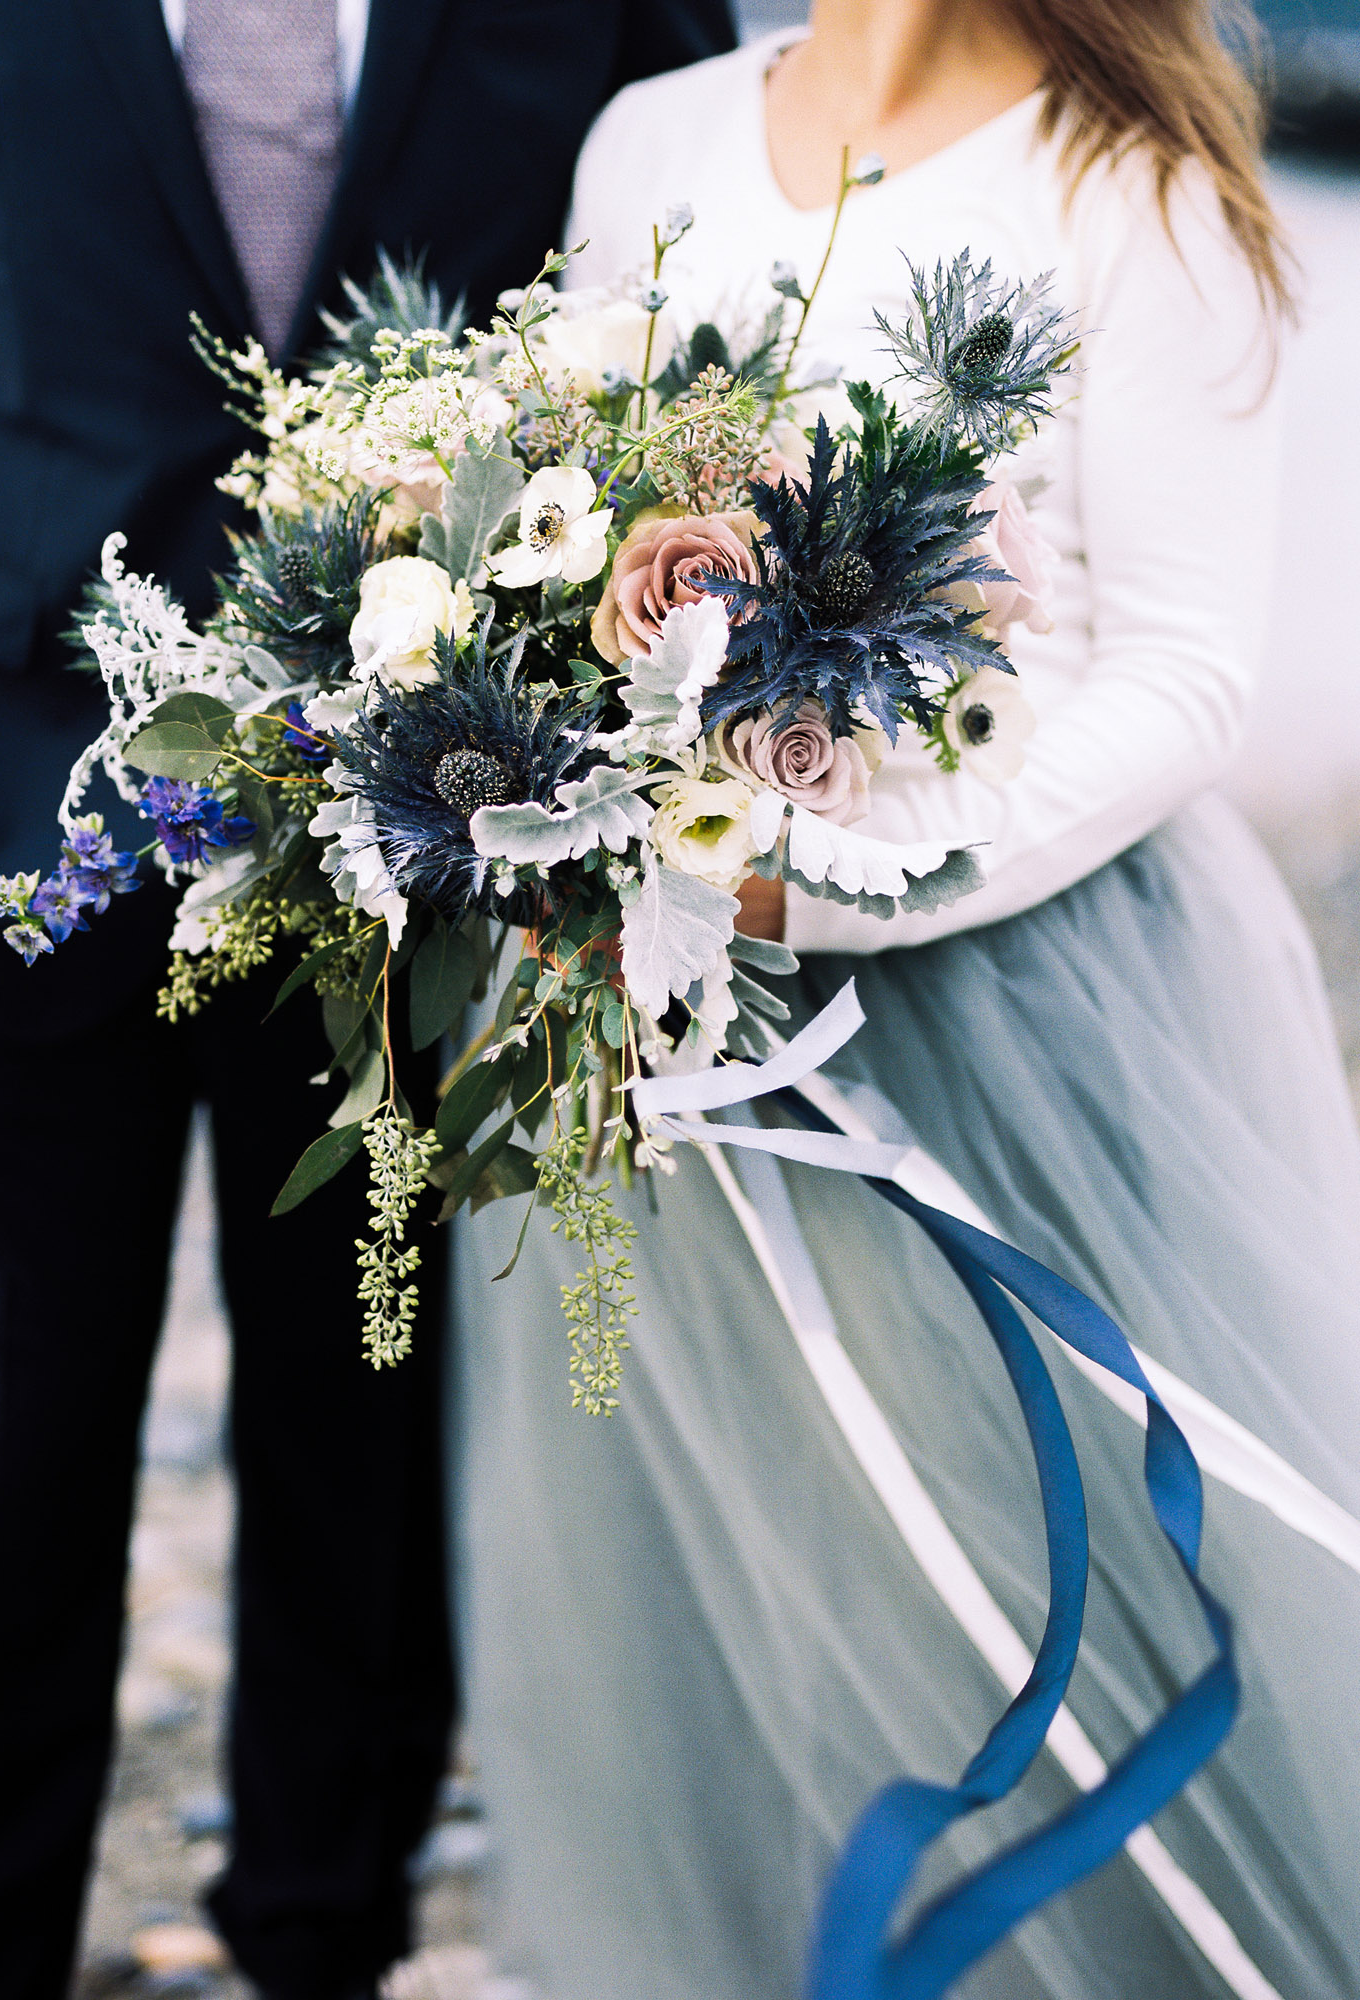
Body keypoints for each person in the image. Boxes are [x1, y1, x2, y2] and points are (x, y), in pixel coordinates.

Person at [451, 2, 1360, 1995]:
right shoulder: (652, 143)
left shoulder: (1135, 179)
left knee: (1018, 1564)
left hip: (1028, 1018)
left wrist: (865, 883)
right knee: (735, 1573)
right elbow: (556, 545)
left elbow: (1193, 669)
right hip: (680, 1024)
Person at [0, 3, 736, 1996]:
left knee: (369, 1447)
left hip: (438, 807)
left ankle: (323, 1946)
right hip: (4, 782)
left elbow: (695, 244)